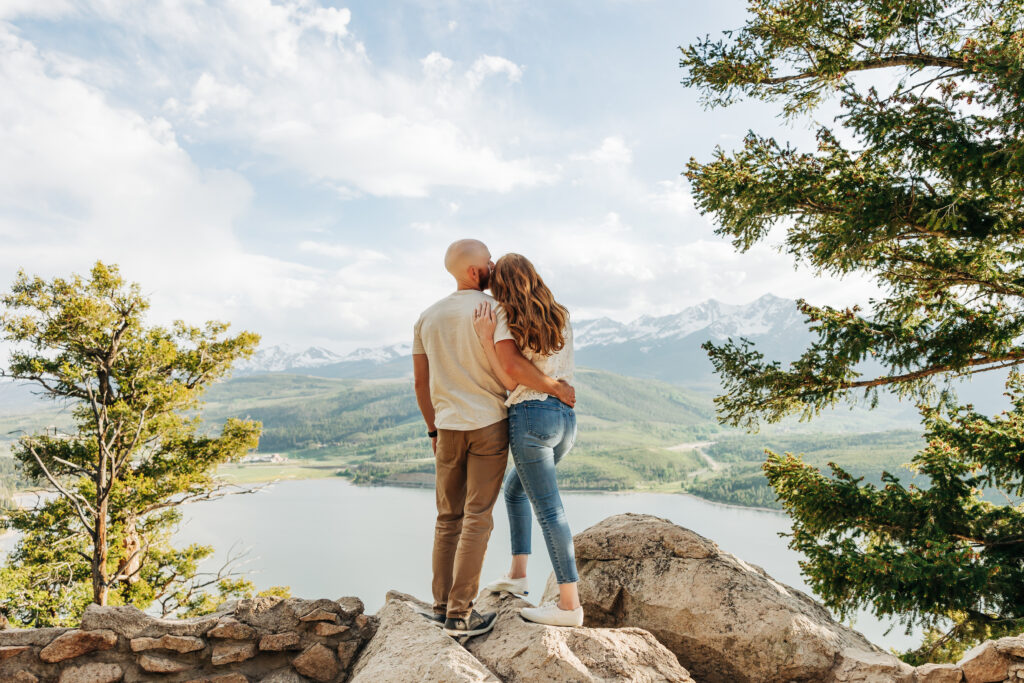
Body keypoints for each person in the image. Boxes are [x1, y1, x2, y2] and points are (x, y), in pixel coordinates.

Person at [412, 239, 575, 638]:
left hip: (447, 427)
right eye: (487, 262)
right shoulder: (495, 310)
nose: (491, 267)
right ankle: (459, 613)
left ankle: (439, 605)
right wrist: (554, 387)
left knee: (447, 517)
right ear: (474, 272)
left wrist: (433, 428)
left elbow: (421, 381)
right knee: (477, 518)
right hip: (489, 423)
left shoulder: (426, 317)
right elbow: (509, 369)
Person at [471, 253, 584, 627]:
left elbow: (511, 372)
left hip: (532, 416)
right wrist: (556, 388)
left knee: (551, 511)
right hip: (565, 421)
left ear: (501, 285)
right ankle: (518, 574)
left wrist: (487, 339)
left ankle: (569, 606)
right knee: (515, 490)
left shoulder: (505, 316)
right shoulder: (560, 313)